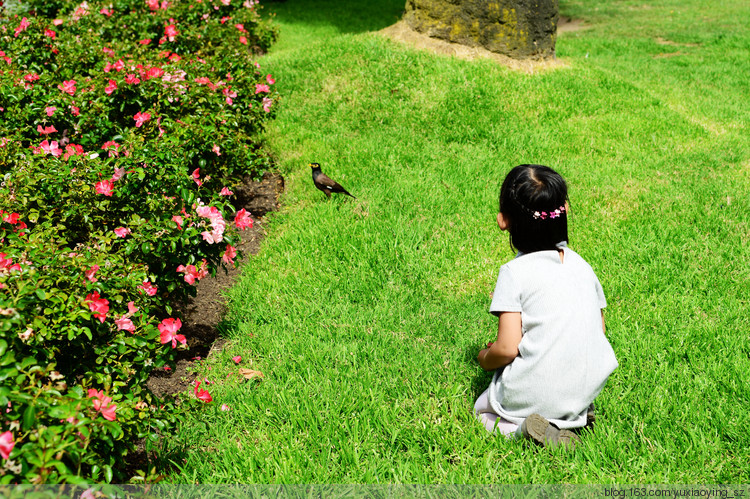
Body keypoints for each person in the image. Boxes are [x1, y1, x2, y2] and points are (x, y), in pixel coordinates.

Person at [474, 164, 618, 448]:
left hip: (536, 390)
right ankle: (572, 416)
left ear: (503, 220)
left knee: (483, 410)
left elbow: (506, 348)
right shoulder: (582, 266)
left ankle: (522, 429)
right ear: (563, 210)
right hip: (585, 388)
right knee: (561, 388)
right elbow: (598, 329)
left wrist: (484, 357)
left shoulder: (514, 273)